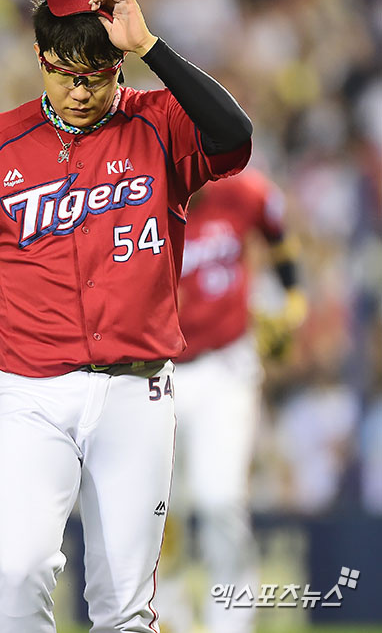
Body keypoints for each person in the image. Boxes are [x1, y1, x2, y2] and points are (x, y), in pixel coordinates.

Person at [0, 0, 252, 632]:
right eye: (66, 71)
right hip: (32, 394)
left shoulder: (160, 122)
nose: (81, 90)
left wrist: (149, 47)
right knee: (18, 571)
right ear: (40, 55)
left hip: (136, 392)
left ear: (119, 63)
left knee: (123, 608)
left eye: (98, 73)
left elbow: (235, 136)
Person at [156, 168, 307, 633]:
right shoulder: (139, 196)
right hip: (158, 369)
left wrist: (292, 296)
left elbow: (276, 232)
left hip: (226, 364)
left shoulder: (243, 191)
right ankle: (168, 615)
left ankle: (232, 622)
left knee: (220, 499)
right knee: (158, 508)